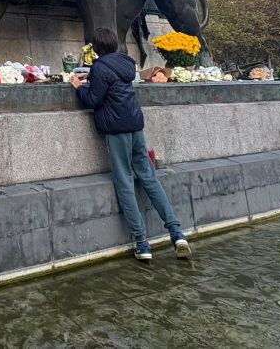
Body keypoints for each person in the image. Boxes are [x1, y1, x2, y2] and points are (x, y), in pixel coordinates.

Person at [71, 27, 191, 262]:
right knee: (148, 176)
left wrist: (79, 86)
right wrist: (92, 77)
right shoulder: (126, 62)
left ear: (95, 48)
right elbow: (111, 80)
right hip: (135, 125)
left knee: (125, 181)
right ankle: (177, 233)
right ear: (115, 44)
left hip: (116, 130)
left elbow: (94, 99)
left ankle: (142, 242)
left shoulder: (99, 67)